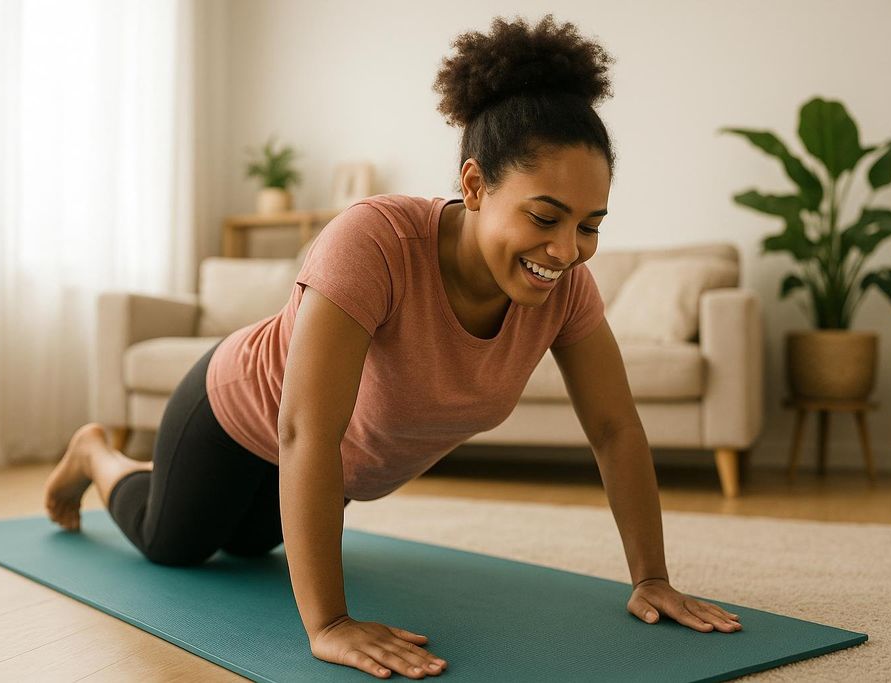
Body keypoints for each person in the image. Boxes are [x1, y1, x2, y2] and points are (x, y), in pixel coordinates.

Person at [43, 13, 742, 681]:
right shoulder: (374, 242)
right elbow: (304, 427)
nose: (567, 250)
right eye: (545, 216)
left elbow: (616, 429)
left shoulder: (563, 286)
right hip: (236, 411)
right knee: (175, 545)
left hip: (323, 466)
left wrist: (651, 577)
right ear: (474, 185)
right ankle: (97, 453)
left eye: (591, 224)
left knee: (254, 546)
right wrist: (330, 622)